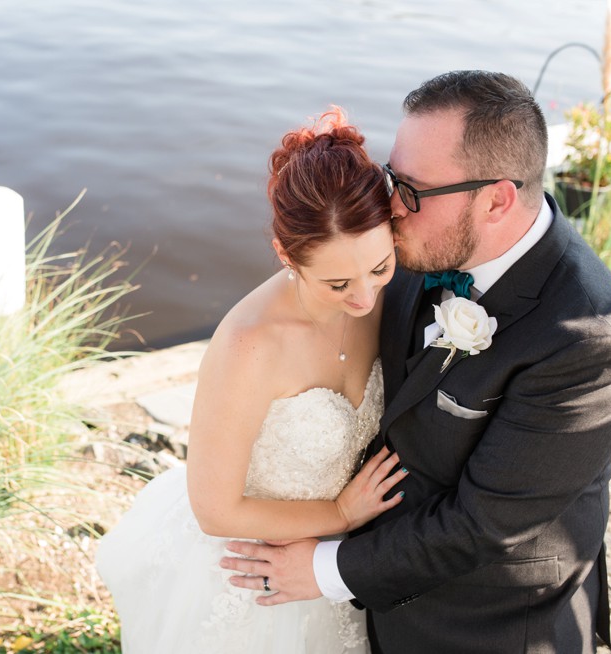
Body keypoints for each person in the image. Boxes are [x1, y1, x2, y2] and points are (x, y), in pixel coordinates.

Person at [223, 70, 611, 654]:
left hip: (482, 620)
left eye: (411, 190)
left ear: (496, 199)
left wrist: (323, 569)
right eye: (391, 177)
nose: (390, 206)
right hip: (372, 581)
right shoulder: (418, 241)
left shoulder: (592, 344)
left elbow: (482, 525)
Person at [96, 107, 409, 653]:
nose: (364, 298)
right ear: (286, 255)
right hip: (251, 568)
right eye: (337, 283)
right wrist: (337, 514)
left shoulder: (389, 293)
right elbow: (215, 509)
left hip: (342, 564)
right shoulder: (249, 345)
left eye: (379, 268)